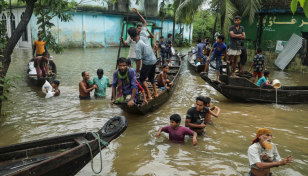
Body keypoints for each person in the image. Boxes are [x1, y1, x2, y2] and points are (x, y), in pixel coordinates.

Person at [128, 8, 158, 100]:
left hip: (148, 62)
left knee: (142, 79)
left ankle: (149, 95)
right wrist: (138, 13)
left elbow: (138, 61)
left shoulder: (137, 47)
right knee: (152, 78)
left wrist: (137, 72)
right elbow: (144, 22)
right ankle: (156, 93)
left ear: (131, 36)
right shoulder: (143, 35)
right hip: (154, 60)